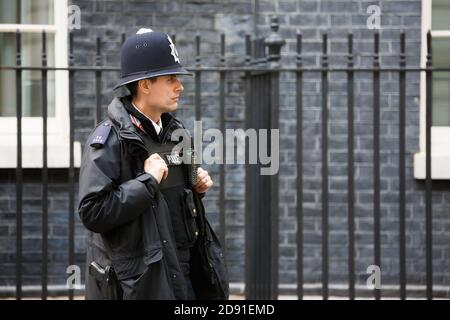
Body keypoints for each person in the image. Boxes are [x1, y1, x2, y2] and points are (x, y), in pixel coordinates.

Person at [78, 28, 229, 300]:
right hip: (139, 286)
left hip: (183, 278)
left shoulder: (176, 134)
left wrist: (196, 189)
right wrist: (146, 182)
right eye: (171, 78)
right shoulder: (108, 139)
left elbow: (174, 210)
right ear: (145, 84)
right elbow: (92, 212)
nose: (180, 86)